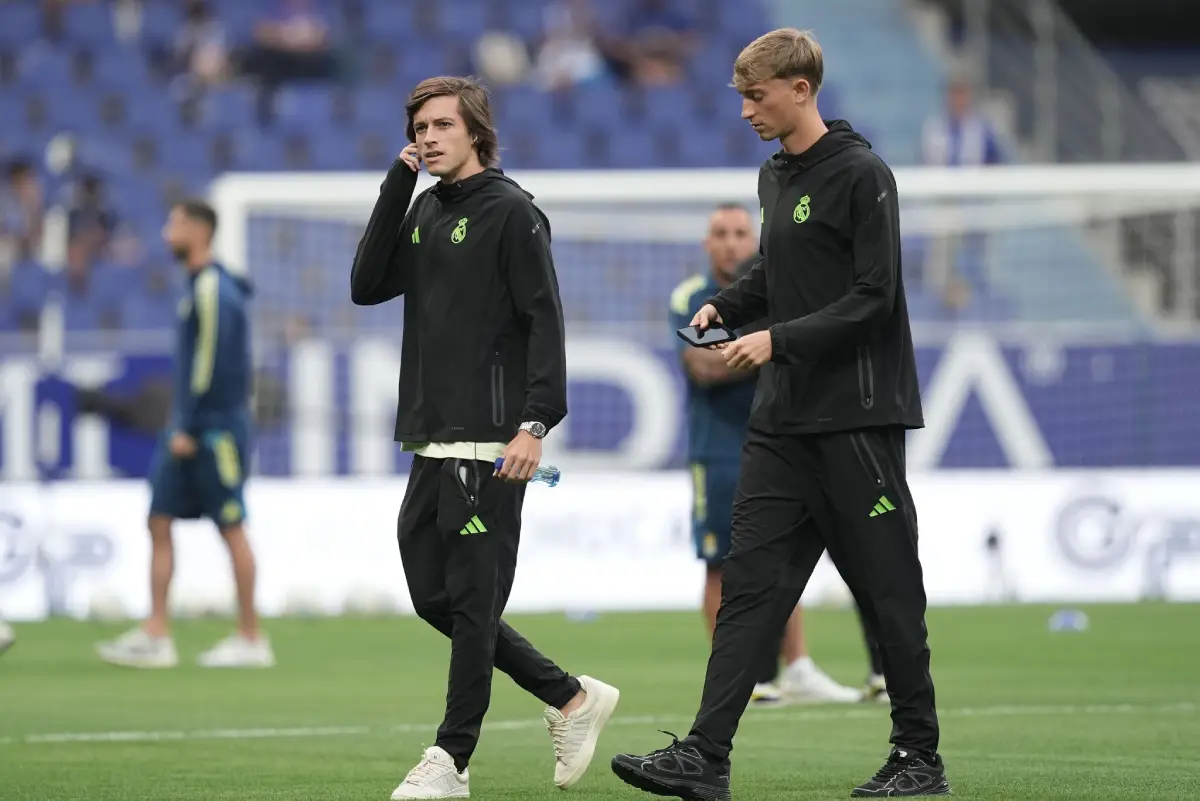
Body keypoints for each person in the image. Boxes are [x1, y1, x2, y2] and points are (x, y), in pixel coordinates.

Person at [611, 29, 950, 799]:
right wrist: (722, 307)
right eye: (740, 96)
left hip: (855, 423)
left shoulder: (864, 175)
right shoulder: (774, 179)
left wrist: (776, 339)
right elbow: (775, 269)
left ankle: (920, 758)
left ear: (800, 88)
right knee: (749, 592)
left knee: (889, 591)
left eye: (755, 95)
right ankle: (706, 754)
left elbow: (875, 297)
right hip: (783, 425)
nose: (744, 110)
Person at [349, 75, 619, 800]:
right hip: (433, 440)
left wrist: (534, 424)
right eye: (419, 127)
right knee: (433, 597)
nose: (428, 136)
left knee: (470, 604)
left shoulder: (512, 212)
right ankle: (569, 695)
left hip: (491, 442)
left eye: (441, 124)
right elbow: (366, 283)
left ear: (476, 130)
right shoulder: (428, 210)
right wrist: (395, 184)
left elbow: (546, 322)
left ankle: (451, 759)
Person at [670, 202, 862, 707]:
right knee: (720, 564)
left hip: (778, 440)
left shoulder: (775, 288)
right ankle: (735, 680)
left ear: (754, 240)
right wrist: (773, 350)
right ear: (707, 244)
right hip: (718, 451)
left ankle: (795, 666)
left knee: (785, 558)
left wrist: (773, 345)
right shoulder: (693, 298)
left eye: (739, 233)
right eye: (721, 233)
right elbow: (703, 367)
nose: (731, 242)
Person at [96, 200, 272, 670]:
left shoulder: (214, 287)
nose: (165, 232)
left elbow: (211, 364)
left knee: (231, 524)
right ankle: (156, 632)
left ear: (198, 230)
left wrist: (190, 426)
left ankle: (251, 637)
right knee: (159, 518)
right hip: (189, 425)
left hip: (211, 430)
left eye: (173, 223)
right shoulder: (197, 286)